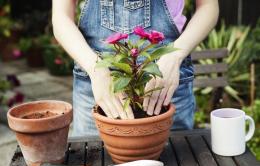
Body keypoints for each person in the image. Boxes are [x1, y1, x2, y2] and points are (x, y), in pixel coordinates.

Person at [52, 0, 219, 136]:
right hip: (98, 90)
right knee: (97, 165)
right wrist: (95, 68)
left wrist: (174, 56)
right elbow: (61, 16)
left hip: (164, 87)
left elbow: (208, 6)